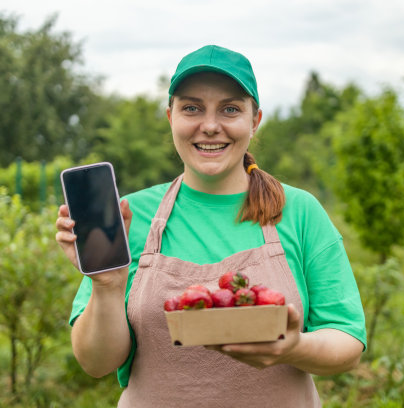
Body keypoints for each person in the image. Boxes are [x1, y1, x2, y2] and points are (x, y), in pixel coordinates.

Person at [56, 44, 366, 407]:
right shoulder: (130, 214)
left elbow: (347, 343)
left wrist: (294, 347)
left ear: (255, 120)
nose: (210, 126)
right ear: (170, 116)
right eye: (192, 108)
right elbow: (96, 363)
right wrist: (107, 287)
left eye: (230, 109)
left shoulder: (298, 211)